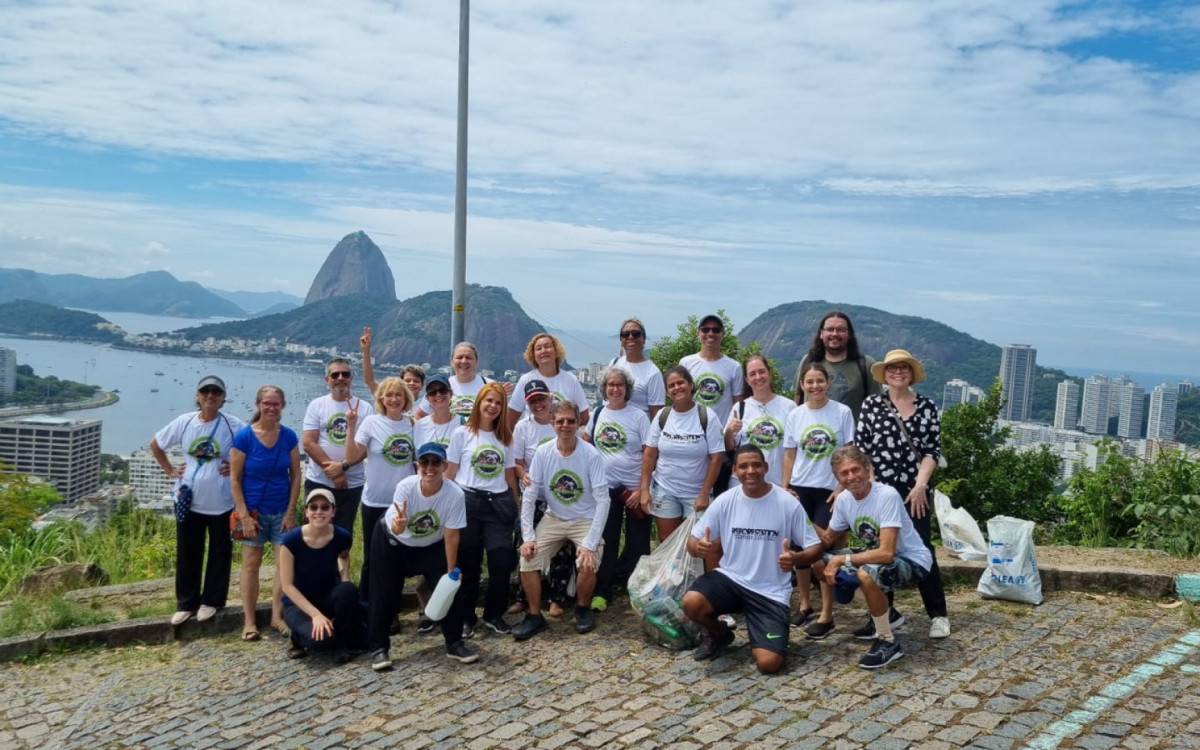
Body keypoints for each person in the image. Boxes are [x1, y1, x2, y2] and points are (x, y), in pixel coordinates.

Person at [681, 445, 822, 673]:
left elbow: (816, 547)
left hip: (770, 590)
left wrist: (796, 558)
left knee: (769, 664)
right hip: (730, 579)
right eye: (744, 466)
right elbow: (692, 541)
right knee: (691, 602)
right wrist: (699, 548)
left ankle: (773, 637)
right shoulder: (725, 500)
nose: (750, 471)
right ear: (735, 470)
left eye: (756, 465)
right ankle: (718, 632)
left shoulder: (787, 503)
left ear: (765, 467)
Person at [807, 446, 933, 669]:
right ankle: (887, 613)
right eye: (843, 473)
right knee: (820, 560)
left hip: (913, 560)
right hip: (877, 559)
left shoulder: (886, 495)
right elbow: (827, 540)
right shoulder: (845, 499)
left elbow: (886, 553)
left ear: (867, 470)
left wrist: (842, 560)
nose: (851, 477)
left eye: (855, 470)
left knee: (867, 574)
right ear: (838, 478)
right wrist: (800, 517)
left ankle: (887, 641)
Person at [855, 349, 950, 639]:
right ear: (885, 374)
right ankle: (885, 617)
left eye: (904, 369)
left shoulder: (927, 407)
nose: (898, 373)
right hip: (882, 491)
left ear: (912, 374)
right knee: (883, 551)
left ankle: (938, 615)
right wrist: (872, 489)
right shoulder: (872, 405)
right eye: (892, 369)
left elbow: (932, 451)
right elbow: (863, 449)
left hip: (914, 491)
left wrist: (920, 485)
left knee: (922, 549)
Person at [368, 443, 476, 670]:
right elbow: (397, 529)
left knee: (449, 588)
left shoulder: (455, 494)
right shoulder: (406, 487)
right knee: (384, 593)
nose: (430, 467)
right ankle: (379, 648)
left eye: (436, 462)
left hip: (430, 545)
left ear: (445, 466)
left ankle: (454, 643)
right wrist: (398, 525)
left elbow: (452, 534)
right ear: (417, 465)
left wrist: (450, 571)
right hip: (393, 542)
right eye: (424, 462)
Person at [512, 401, 610, 640]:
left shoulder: (591, 455)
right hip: (554, 516)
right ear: (552, 424)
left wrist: (589, 542)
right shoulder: (544, 453)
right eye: (560, 421)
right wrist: (528, 538)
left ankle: (583, 608)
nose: (565, 425)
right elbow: (530, 495)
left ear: (578, 423)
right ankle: (535, 616)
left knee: (588, 560)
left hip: (585, 518)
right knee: (528, 559)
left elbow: (603, 501)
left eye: (570, 420)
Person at [150, 375, 244, 627]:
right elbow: (156, 444)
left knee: (219, 553)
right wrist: (170, 470)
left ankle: (213, 600)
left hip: (222, 500)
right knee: (187, 552)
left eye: (216, 392)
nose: (210, 396)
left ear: (223, 397)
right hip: (187, 498)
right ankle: (186, 602)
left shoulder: (233, 425)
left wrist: (236, 468)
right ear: (198, 395)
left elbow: (252, 449)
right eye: (206, 391)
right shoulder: (185, 422)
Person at [778, 362, 854, 625]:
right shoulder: (796, 414)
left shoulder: (842, 412)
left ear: (828, 382)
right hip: (800, 487)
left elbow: (849, 451)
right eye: (809, 382)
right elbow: (789, 453)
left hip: (828, 490)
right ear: (802, 385)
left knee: (821, 550)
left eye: (819, 381)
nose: (815, 386)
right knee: (799, 548)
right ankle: (805, 605)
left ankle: (827, 613)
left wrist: (842, 486)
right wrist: (785, 486)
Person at [446, 382, 520, 637]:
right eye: (489, 401)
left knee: (500, 562)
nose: (493, 406)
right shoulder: (462, 434)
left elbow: (510, 476)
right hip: (467, 502)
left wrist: (516, 505)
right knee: (469, 562)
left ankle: (493, 613)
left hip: (498, 504)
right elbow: (451, 473)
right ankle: (467, 616)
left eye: (498, 403)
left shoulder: (506, 437)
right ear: (479, 402)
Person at [229, 385, 302, 640]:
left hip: (282, 511)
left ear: (282, 406)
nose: (271, 408)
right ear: (259, 405)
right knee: (251, 565)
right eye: (267, 403)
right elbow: (235, 479)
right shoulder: (245, 437)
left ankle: (277, 616)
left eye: (276, 404)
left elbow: (295, 476)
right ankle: (249, 622)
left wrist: (291, 511)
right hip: (253, 514)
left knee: (285, 567)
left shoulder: (289, 436)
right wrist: (244, 516)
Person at [584, 365, 652, 612]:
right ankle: (603, 591)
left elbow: (649, 453)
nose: (615, 389)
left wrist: (643, 489)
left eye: (620, 385)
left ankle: (638, 588)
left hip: (633, 489)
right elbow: (588, 443)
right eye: (611, 385)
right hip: (605, 491)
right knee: (607, 541)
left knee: (638, 544)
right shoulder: (598, 412)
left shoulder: (638, 416)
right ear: (604, 388)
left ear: (627, 389)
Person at [344, 376, 417, 602]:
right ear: (381, 399)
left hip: (401, 503)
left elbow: (418, 462)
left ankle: (391, 608)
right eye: (389, 395)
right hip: (374, 501)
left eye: (399, 394)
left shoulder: (413, 424)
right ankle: (367, 605)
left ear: (406, 398)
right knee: (372, 557)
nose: (394, 399)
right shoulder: (371, 422)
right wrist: (351, 426)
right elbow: (352, 457)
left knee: (397, 556)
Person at [510, 379, 574, 618]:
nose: (538, 404)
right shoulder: (522, 428)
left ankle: (556, 597)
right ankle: (523, 596)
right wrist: (524, 475)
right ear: (527, 403)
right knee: (525, 544)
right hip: (533, 497)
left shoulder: (560, 422)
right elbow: (516, 463)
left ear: (550, 398)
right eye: (532, 401)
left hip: (560, 498)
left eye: (541, 399)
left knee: (561, 547)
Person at [278, 488, 366, 662]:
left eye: (325, 507)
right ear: (306, 512)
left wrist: (345, 578)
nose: (319, 512)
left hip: (327, 597)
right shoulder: (291, 541)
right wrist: (315, 614)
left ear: (333, 511)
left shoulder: (342, 536)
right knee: (321, 641)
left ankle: (343, 640)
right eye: (314, 507)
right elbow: (287, 586)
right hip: (298, 605)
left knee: (349, 591)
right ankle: (297, 637)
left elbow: (344, 555)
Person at [640, 365, 725, 544]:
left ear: (691, 385)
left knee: (697, 542)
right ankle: (671, 573)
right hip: (665, 490)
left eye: (681, 383)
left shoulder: (707, 416)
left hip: (696, 493)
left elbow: (716, 458)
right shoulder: (663, 416)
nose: (677, 388)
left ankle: (694, 574)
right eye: (671, 385)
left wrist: (704, 493)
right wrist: (644, 489)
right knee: (667, 541)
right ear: (667, 391)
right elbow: (649, 454)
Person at [302, 357, 375, 537]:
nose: (340, 377)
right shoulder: (317, 405)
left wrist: (343, 467)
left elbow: (366, 448)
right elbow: (309, 442)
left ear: (351, 378)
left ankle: (340, 567)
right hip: (319, 480)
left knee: (343, 537)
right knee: (313, 534)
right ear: (327, 379)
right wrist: (334, 471)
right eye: (335, 374)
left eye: (345, 374)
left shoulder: (365, 408)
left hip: (351, 484)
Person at [791, 311, 880, 419]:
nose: (834, 334)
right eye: (829, 329)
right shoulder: (808, 361)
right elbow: (797, 398)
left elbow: (876, 405)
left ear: (849, 334)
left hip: (851, 434)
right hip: (811, 432)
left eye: (841, 330)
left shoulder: (865, 364)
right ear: (821, 333)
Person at [724, 355, 795, 489]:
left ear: (770, 373)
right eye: (752, 374)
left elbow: (794, 449)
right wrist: (730, 430)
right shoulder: (740, 407)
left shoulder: (789, 407)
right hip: (743, 484)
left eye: (762, 371)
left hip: (778, 483)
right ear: (747, 379)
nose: (758, 377)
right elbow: (729, 447)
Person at [507, 333, 589, 428]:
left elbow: (584, 416)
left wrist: (566, 428)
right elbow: (511, 419)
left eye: (547, 346)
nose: (544, 351)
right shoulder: (526, 380)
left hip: (563, 440)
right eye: (538, 348)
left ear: (556, 351)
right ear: (533, 355)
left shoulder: (571, 380)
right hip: (534, 439)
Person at [416, 341, 514, 420]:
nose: (464, 361)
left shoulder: (490, 385)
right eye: (459, 357)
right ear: (452, 361)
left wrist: (499, 396)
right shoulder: (440, 387)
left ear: (476, 361)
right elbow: (419, 415)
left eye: (469, 358)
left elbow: (504, 419)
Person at [680, 313, 744, 425]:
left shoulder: (734, 367)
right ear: (698, 333)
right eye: (705, 330)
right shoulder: (686, 363)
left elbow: (738, 403)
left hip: (721, 434)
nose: (710, 333)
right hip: (691, 431)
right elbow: (680, 399)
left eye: (716, 330)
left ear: (723, 334)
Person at [610, 317, 665, 419]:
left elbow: (656, 415)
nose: (630, 337)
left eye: (636, 334)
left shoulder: (653, 372)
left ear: (644, 339)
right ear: (621, 340)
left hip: (637, 430)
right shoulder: (614, 363)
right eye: (625, 334)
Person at [414, 374, 459, 448]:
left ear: (450, 393)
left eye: (442, 390)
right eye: (432, 392)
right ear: (427, 398)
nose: (438, 394)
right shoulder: (419, 426)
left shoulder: (464, 423)